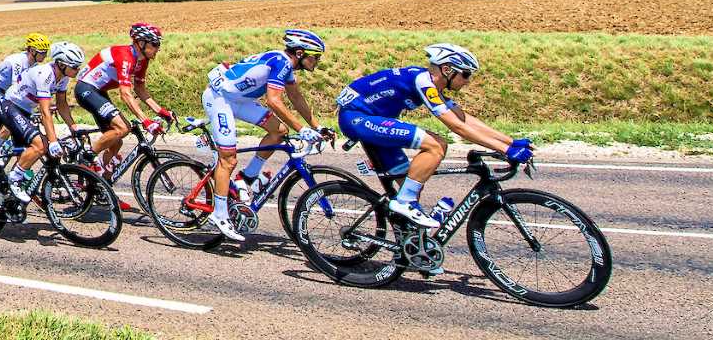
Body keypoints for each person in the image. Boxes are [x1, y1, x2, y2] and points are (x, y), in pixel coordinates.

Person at [336, 43, 533, 229]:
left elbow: (464, 119)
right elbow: (458, 128)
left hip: (374, 120)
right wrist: (506, 150)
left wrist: (511, 142)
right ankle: (404, 202)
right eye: (465, 75)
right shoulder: (424, 82)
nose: (467, 81)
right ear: (447, 70)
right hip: (357, 118)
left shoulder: (430, 84)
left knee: (411, 183)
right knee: (437, 144)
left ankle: (414, 249)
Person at [201, 29, 328, 242]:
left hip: (239, 100)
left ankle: (247, 177)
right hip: (220, 98)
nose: (317, 61)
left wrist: (316, 126)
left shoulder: (285, 64)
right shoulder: (281, 62)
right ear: (299, 53)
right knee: (228, 159)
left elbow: (295, 97)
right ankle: (219, 214)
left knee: (279, 131)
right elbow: (273, 101)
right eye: (315, 56)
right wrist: (302, 129)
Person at [77, 23, 171, 172]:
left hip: (99, 91)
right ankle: (85, 157)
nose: (158, 48)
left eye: (158, 44)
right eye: (155, 43)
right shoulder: (125, 56)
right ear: (141, 43)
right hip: (86, 89)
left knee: (116, 143)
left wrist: (162, 112)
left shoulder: (142, 60)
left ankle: (100, 187)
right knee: (123, 127)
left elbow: (140, 89)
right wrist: (145, 120)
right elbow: (126, 94)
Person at [0, 41, 84, 202]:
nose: (77, 70)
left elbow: (62, 105)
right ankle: (14, 180)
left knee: (30, 150)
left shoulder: (63, 77)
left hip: (25, 109)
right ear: (61, 64)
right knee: (42, 145)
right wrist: (52, 142)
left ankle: (10, 202)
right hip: (11, 106)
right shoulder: (45, 75)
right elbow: (45, 112)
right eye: (74, 66)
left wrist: (74, 128)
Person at [0, 33, 50, 119]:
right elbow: (16, 87)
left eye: (46, 52)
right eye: (42, 53)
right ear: (32, 51)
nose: (45, 55)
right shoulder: (18, 61)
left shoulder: (35, 66)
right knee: (9, 109)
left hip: (5, 90)